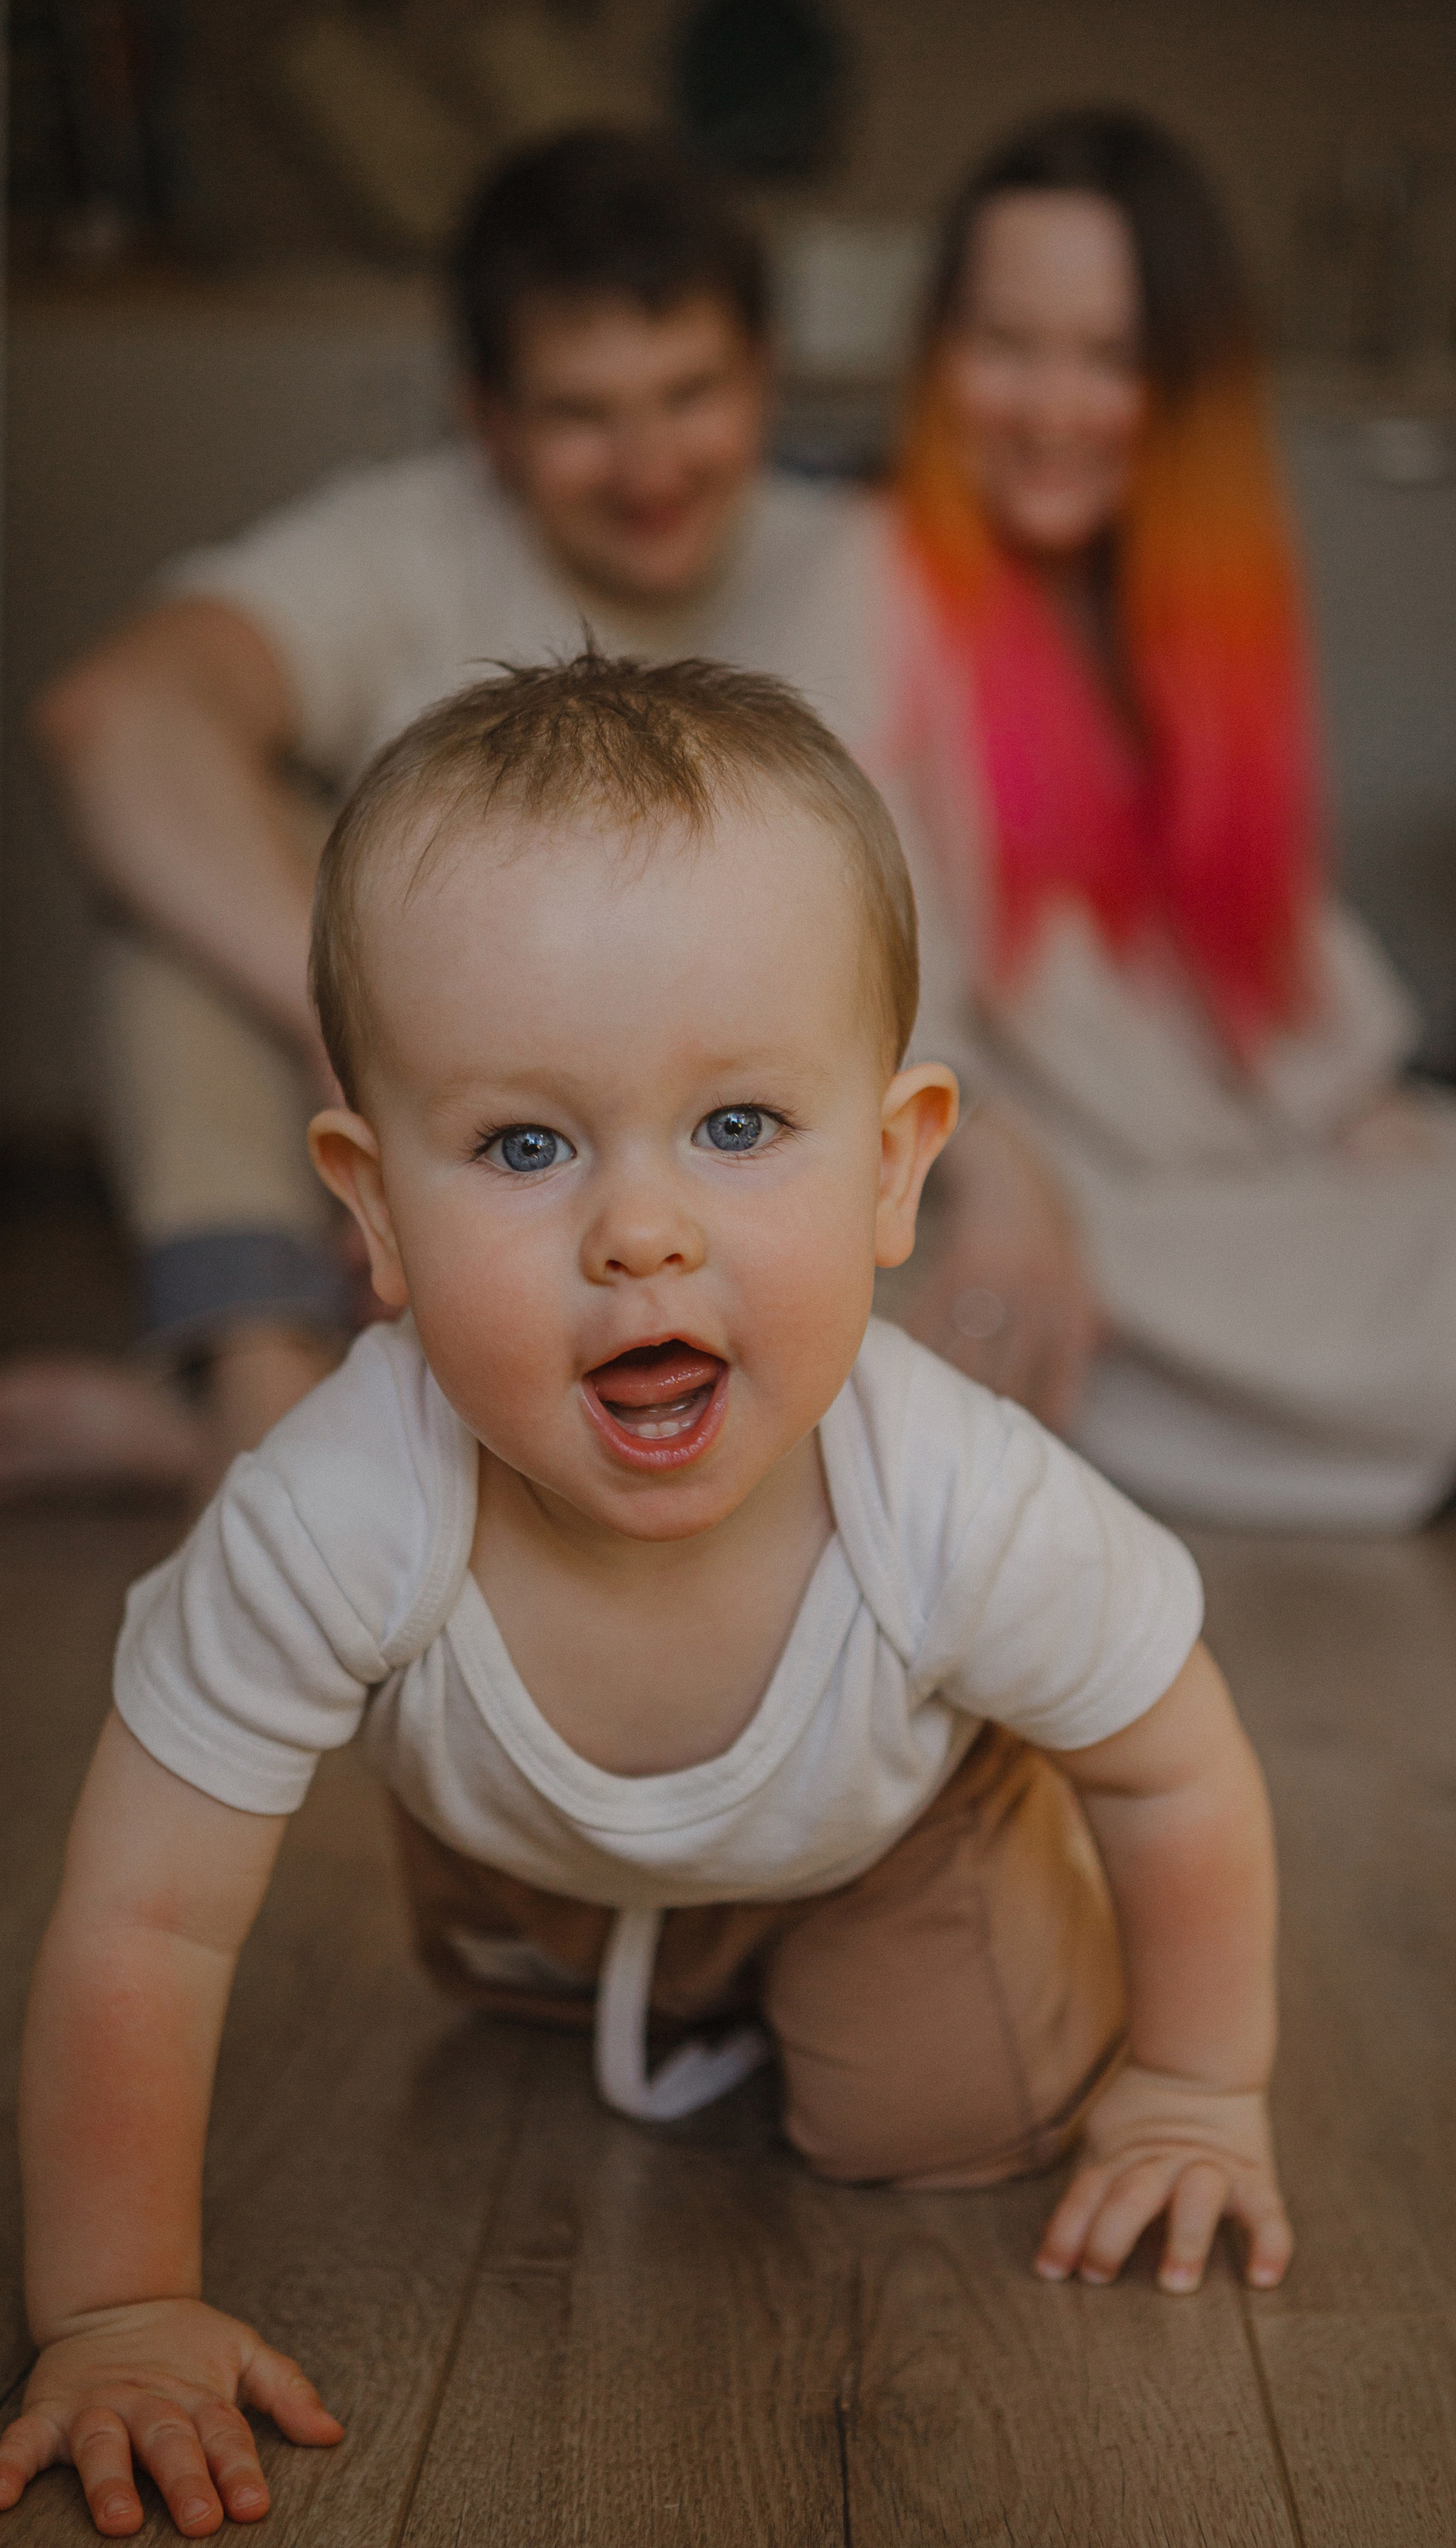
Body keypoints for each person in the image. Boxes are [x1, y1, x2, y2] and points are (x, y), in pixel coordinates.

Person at [0, 656, 1290, 2537]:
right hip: (528, 1855)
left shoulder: (955, 1495)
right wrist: (113, 2308)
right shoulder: (335, 1511)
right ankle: (657, 1949)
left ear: (896, 1166)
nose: (642, 1230)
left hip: (888, 1837)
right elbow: (142, 1927)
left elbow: (1179, 1766)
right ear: (372, 1217)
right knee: (490, 1959)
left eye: (742, 1127)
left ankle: (978, 1892)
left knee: (931, 2126)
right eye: (525, 1147)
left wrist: (1196, 2082)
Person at [785, 110, 1456, 1529]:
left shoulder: (1178, 615)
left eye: (1108, 358)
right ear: (936, 352)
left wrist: (1412, 1155)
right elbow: (802, 961)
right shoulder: (866, 575)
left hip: (1259, 1175)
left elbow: (1298, 1013)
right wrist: (993, 1163)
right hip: (1099, 1231)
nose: (1049, 406)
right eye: (1005, 345)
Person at [6, 127, 849, 1498]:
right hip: (449, 1192)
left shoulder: (867, 571)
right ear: (488, 421)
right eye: (583, 413)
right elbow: (114, 722)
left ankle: (229, 1458)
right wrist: (350, 1026)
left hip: (711, 1208)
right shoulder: (412, 541)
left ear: (761, 375)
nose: (648, 462)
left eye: (690, 393)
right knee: (189, 891)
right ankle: (262, 1399)